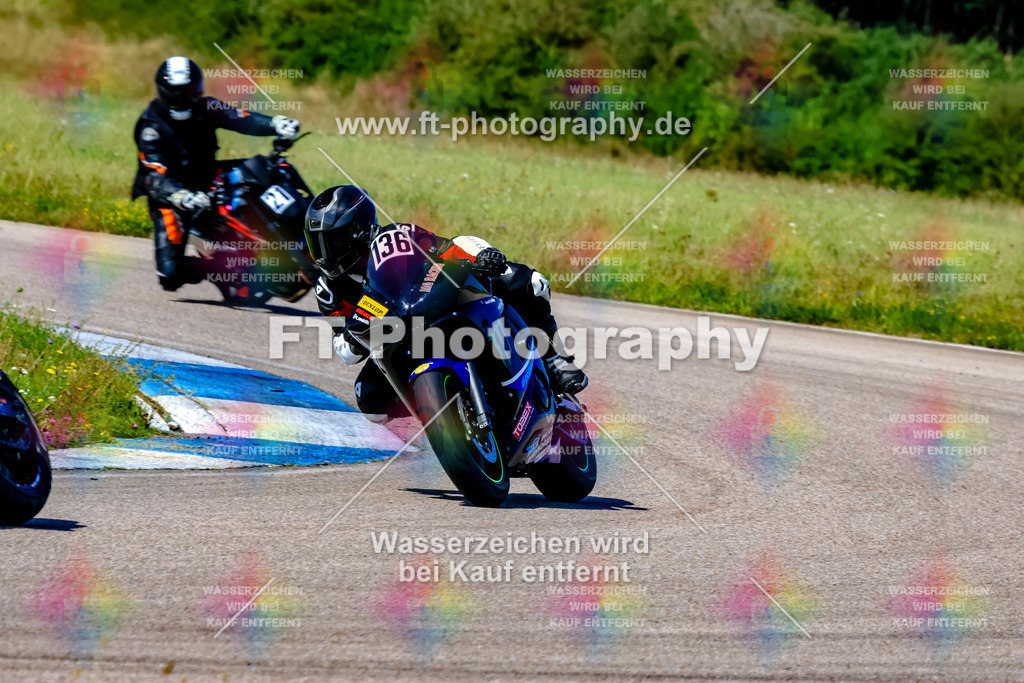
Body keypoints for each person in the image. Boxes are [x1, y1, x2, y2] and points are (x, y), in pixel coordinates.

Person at [304, 185, 588, 422]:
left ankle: (555, 359)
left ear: (358, 230)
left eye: (332, 242)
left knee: (530, 283)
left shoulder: (396, 237)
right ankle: (447, 418)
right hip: (397, 343)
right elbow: (343, 348)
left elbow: (448, 248)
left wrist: (481, 256)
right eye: (317, 244)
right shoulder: (327, 290)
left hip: (436, 305)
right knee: (370, 401)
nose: (325, 255)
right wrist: (353, 340)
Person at [131, 56, 300, 297]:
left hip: (210, 176)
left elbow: (241, 118)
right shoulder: (150, 127)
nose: (184, 97)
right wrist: (180, 196)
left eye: (189, 90)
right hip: (171, 197)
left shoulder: (206, 107)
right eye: (177, 92)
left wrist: (276, 123)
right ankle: (227, 266)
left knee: (266, 168)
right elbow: (154, 178)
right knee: (170, 275)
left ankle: (301, 224)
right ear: (164, 91)